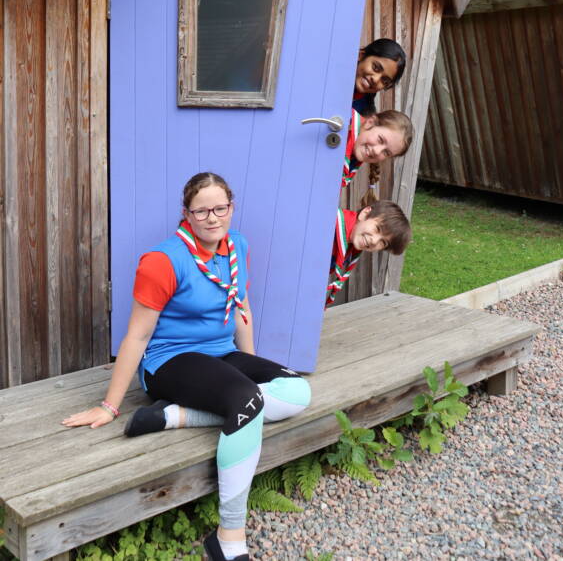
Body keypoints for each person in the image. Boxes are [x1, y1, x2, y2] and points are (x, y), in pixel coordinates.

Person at [63, 172, 311, 561]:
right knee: (248, 401)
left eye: (220, 208)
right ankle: (228, 539)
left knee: (298, 391)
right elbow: (138, 337)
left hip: (220, 354)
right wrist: (109, 405)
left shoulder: (237, 246)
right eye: (202, 210)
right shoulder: (162, 261)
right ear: (186, 214)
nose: (212, 218)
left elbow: (241, 307)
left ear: (231, 207)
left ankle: (174, 417)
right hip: (170, 360)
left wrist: (250, 363)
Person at [327, 201, 412, 306]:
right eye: (377, 228)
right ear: (365, 213)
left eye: (383, 242)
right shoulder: (327, 223)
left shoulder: (350, 248)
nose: (374, 241)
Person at [342, 108, 414, 187]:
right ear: (370, 123)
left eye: (386, 152)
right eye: (380, 140)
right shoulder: (339, 121)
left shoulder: (351, 164)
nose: (377, 151)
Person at [353, 38, 407, 115]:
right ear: (361, 55)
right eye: (376, 68)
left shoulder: (364, 115)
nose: (375, 79)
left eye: (385, 81)